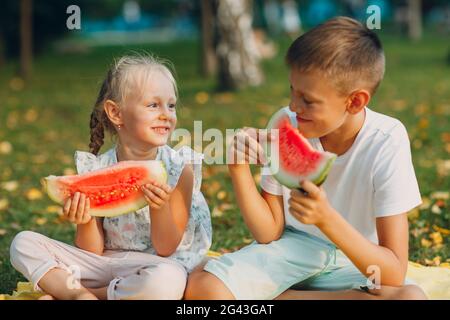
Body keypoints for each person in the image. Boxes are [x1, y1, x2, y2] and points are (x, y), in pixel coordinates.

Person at [185, 17, 427, 300]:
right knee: (204, 290)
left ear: (355, 101)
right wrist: (238, 169)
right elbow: (269, 233)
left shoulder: (387, 139)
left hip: (357, 258)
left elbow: (394, 271)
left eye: (308, 100)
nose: (292, 106)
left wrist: (326, 220)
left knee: (411, 298)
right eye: (292, 91)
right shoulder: (287, 123)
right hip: (292, 251)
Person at [10, 54, 212, 300]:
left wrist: (160, 207)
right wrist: (84, 220)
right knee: (23, 243)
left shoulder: (180, 167)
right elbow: (92, 250)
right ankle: (80, 295)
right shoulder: (95, 168)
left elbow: (166, 247)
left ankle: (84, 294)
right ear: (116, 113)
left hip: (157, 265)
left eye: (171, 105)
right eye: (153, 105)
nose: (166, 114)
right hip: (104, 263)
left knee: (168, 281)